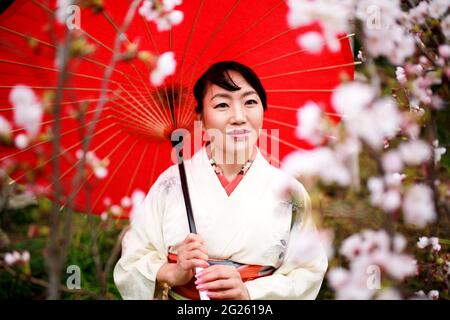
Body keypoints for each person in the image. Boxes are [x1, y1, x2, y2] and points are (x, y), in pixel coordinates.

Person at [113, 61, 328, 300]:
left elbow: (308, 271)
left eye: (250, 102)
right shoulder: (170, 185)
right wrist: (173, 273)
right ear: (201, 117)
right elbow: (131, 263)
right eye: (222, 104)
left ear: (263, 110)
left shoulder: (290, 192)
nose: (238, 117)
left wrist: (249, 292)